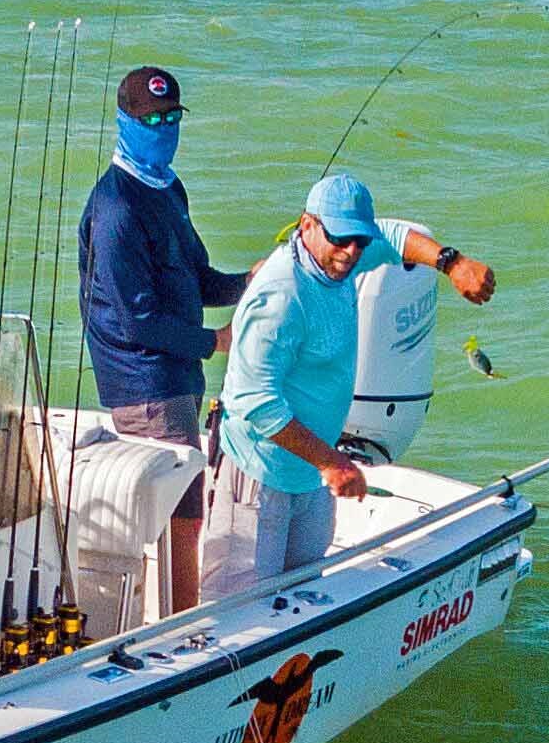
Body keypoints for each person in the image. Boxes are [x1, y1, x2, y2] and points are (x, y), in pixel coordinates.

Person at [200, 172, 497, 604]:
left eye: (358, 239)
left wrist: (453, 263)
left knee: (301, 599)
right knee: (237, 610)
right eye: (340, 238)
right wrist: (332, 463)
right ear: (307, 226)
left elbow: (393, 237)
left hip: (311, 472)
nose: (351, 251)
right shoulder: (281, 297)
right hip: (259, 474)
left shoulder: (349, 253)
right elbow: (256, 404)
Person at [75, 64, 243, 448]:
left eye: (171, 117)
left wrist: (250, 282)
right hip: (146, 386)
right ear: (124, 121)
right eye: (151, 118)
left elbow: (197, 280)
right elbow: (138, 322)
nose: (163, 128)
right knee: (182, 501)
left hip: (180, 375)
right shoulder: (116, 209)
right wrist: (218, 340)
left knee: (187, 493)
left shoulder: (167, 186)